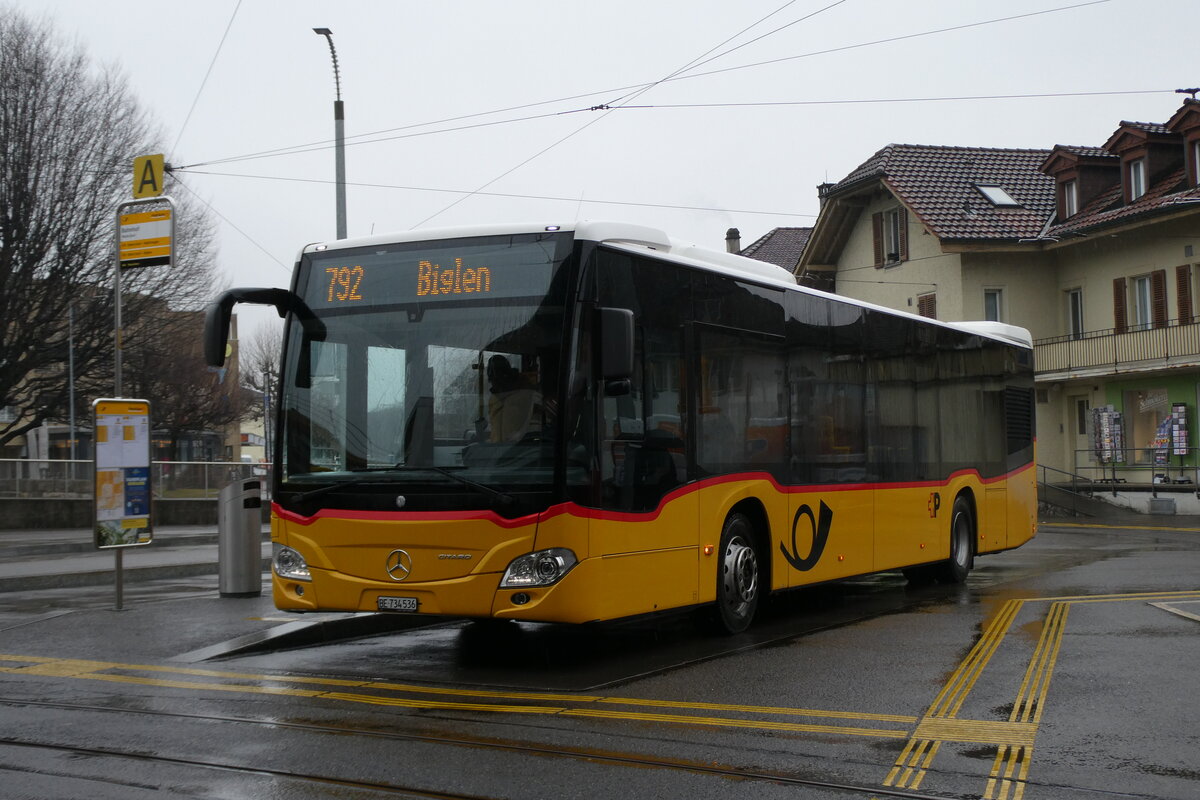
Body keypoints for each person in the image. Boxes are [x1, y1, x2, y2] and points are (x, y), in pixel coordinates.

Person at [486, 355, 541, 442]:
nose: (493, 383)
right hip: (497, 452)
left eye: (496, 379)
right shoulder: (494, 399)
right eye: (492, 379)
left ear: (505, 375)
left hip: (522, 451)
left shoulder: (528, 394)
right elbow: (495, 432)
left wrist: (520, 438)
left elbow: (537, 428)